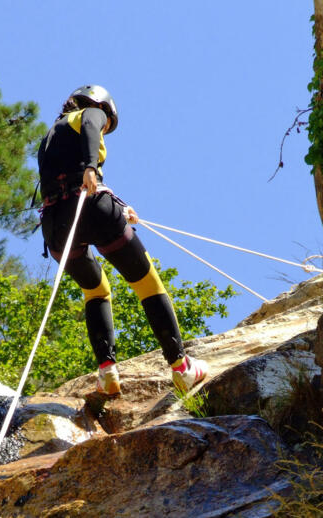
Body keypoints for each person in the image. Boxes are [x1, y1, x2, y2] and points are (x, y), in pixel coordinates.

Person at [37, 84, 208, 397]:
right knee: (146, 281)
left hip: (55, 228)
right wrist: (91, 166)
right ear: (100, 105)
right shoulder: (89, 113)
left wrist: (119, 203)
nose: (103, 124)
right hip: (91, 207)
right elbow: (90, 130)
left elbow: (64, 179)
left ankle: (107, 371)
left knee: (96, 289)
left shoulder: (49, 138)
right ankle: (181, 367)